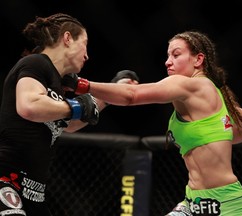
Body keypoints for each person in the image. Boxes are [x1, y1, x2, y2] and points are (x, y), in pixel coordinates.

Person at [77, 30, 242, 215]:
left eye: (176, 54)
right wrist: (216, 133)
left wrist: (80, 84)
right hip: (194, 201)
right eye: (168, 55)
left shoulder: (191, 85)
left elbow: (131, 97)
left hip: (226, 203)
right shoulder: (210, 92)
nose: (167, 61)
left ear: (198, 60)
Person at [0, 13, 138, 216]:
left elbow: (70, 124)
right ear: (67, 38)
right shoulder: (36, 63)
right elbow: (29, 105)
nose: (87, 55)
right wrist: (75, 106)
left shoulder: (56, 84)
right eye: (85, 44)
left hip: (34, 192)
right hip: (6, 180)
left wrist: (111, 94)